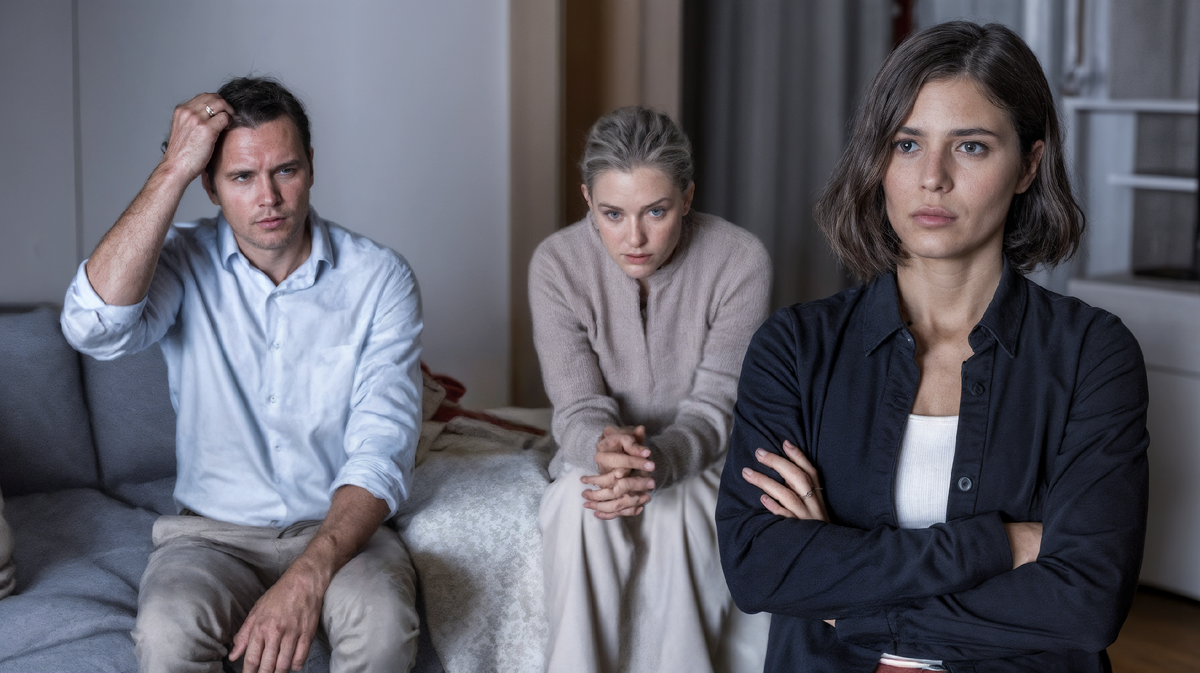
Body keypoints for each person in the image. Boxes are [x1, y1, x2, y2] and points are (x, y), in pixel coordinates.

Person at [717, 21, 1149, 673]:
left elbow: (1085, 603)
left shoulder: (1093, 353)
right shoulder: (794, 348)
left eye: (970, 147)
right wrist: (1001, 545)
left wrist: (846, 597)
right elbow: (759, 568)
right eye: (906, 144)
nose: (932, 178)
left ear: (1029, 165)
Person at [61, 77, 423, 673]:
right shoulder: (181, 261)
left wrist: (309, 572)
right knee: (168, 634)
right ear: (209, 185)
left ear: (312, 167)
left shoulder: (379, 278)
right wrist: (172, 170)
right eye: (241, 177)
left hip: (339, 531)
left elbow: (383, 449)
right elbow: (90, 328)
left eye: (286, 171)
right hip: (211, 537)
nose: (269, 198)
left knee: (383, 625)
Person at [531, 106, 773, 673]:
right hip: (599, 453)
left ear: (687, 199)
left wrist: (658, 464)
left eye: (656, 212)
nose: (634, 238)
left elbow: (716, 408)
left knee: (682, 513)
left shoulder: (740, 260)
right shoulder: (557, 264)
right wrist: (603, 450)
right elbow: (577, 405)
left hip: (707, 455)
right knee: (578, 506)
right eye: (612, 214)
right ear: (587, 200)